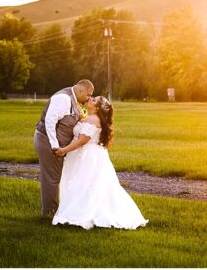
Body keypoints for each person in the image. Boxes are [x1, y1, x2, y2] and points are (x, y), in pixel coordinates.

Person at [52, 96, 148, 229]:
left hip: (87, 156)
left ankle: (81, 212)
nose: (90, 98)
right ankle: (80, 209)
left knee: (85, 184)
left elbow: (81, 141)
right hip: (91, 154)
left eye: (94, 100)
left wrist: (63, 150)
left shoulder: (93, 120)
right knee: (88, 185)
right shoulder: (90, 117)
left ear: (97, 107)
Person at [33, 79, 93, 218]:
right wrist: (54, 145)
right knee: (51, 179)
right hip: (47, 141)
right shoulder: (63, 98)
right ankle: (49, 213)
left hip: (56, 144)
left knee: (55, 177)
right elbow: (50, 121)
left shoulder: (74, 100)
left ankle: (54, 211)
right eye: (88, 95)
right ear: (80, 90)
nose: (89, 98)